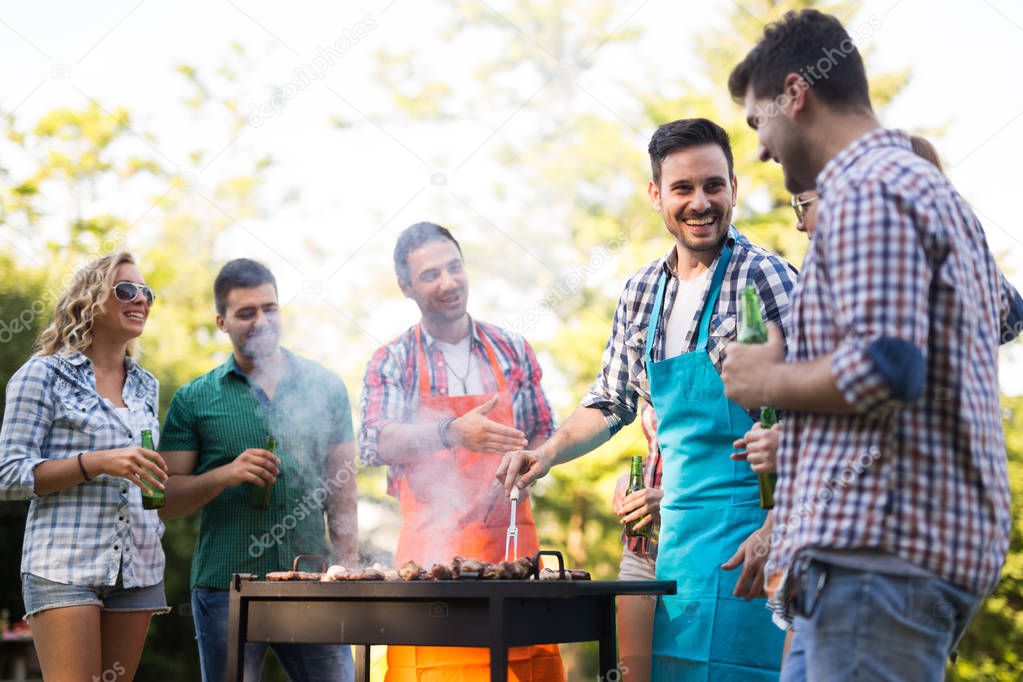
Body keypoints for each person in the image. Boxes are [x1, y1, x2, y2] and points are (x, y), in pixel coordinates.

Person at [725, 9, 1023, 681]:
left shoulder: (862, 187)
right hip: (894, 559)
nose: (764, 149)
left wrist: (765, 380)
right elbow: (1007, 313)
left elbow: (886, 367)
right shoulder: (932, 192)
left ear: (795, 94)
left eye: (758, 123)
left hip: (875, 558)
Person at [496, 118, 799, 680]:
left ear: (735, 186)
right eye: (683, 188)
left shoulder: (768, 278)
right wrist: (547, 452)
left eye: (714, 185)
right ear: (657, 195)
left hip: (751, 543)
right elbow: (611, 401)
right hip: (675, 545)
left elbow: (820, 419)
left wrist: (779, 524)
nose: (701, 202)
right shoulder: (641, 292)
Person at [359, 221, 565, 682]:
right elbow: (375, 441)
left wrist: (532, 461)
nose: (448, 283)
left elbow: (544, 436)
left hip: (514, 555)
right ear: (406, 286)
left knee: (526, 666)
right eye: (430, 274)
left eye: (454, 267)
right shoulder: (394, 360)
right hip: (433, 563)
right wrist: (450, 431)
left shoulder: (512, 350)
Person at [159, 258, 357, 682]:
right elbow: (166, 502)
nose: (261, 320)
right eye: (246, 313)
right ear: (221, 321)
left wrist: (348, 565)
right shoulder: (194, 399)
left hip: (313, 584)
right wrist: (225, 475)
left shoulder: (325, 386)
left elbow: (343, 489)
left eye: (270, 309)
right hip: (225, 588)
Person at [0, 252, 169, 682]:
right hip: (64, 567)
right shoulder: (42, 375)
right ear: (89, 300)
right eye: (126, 290)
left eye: (146, 293)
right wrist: (97, 463)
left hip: (139, 567)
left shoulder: (147, 384)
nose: (141, 300)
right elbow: (9, 476)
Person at [611, 402, 662, 682]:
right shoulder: (649, 362)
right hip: (641, 551)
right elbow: (659, 452)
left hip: (695, 550)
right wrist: (628, 478)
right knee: (634, 676)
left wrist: (668, 498)